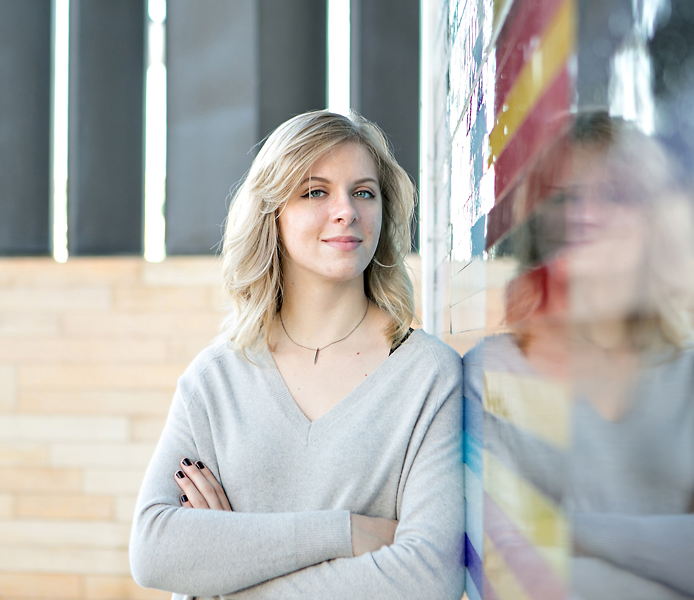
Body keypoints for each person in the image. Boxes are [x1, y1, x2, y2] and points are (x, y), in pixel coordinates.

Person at [129, 111, 465, 600]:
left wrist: (227, 575)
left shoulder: (429, 375)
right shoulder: (216, 378)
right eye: (315, 192)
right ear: (272, 214)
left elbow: (428, 578)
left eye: (363, 192)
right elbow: (154, 551)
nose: (346, 211)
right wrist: (344, 531)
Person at [465, 111, 694, 599]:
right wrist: (692, 549)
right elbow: (510, 579)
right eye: (565, 197)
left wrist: (569, 532)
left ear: (655, 223)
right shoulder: (490, 377)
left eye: (614, 196)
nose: (583, 214)